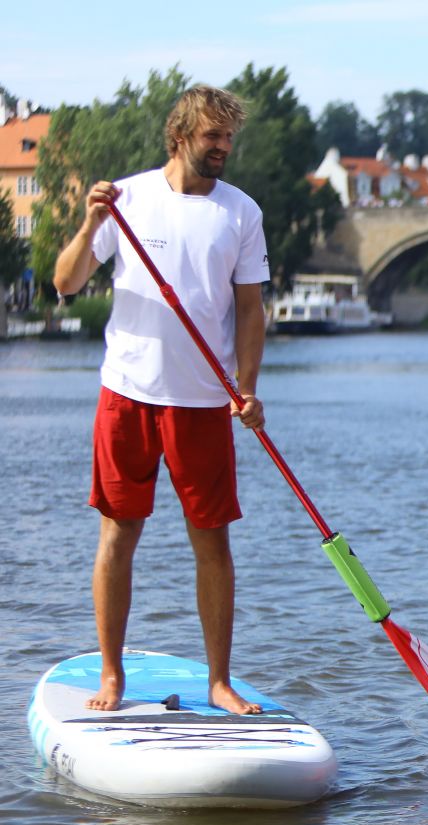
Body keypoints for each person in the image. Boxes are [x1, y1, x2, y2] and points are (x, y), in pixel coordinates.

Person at [53, 85, 269, 714]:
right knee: (118, 536)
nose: (224, 148)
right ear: (181, 135)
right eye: (213, 136)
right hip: (128, 394)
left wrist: (248, 387)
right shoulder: (126, 199)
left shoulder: (241, 213)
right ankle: (112, 678)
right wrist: (92, 222)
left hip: (204, 402)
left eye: (229, 138)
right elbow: (66, 282)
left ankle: (219, 681)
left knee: (214, 542)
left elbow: (251, 311)